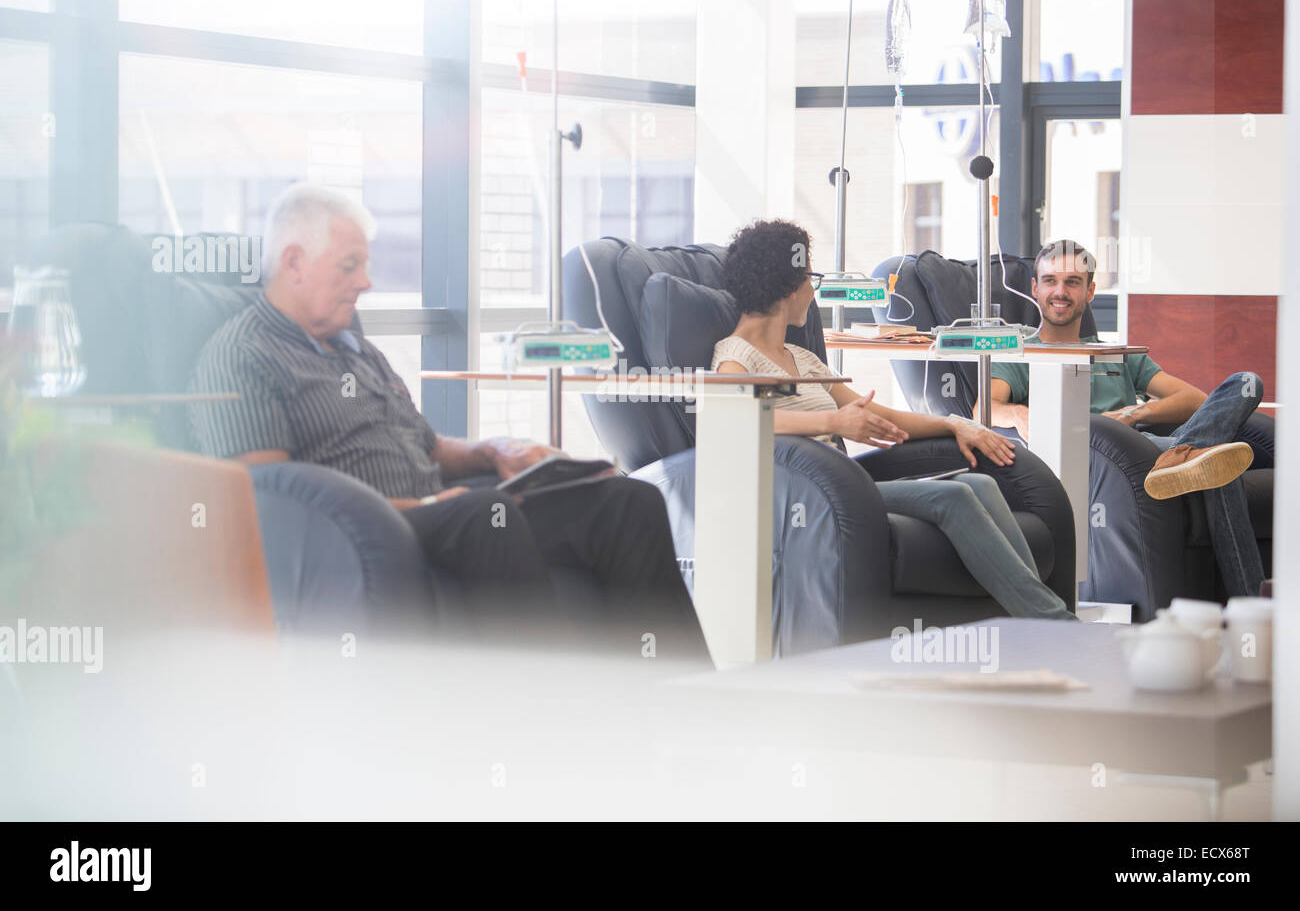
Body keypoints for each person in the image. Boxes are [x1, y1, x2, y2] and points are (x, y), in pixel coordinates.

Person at [189, 182, 707, 661]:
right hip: (370, 527)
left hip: (444, 510)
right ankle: (550, 716)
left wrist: (496, 450)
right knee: (485, 515)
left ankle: (677, 698)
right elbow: (262, 497)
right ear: (294, 262)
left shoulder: (356, 347)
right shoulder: (242, 354)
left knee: (626, 500)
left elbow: (429, 447)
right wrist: (424, 505)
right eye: (349, 266)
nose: (366, 283)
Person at [713, 219, 1075, 621]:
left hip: (841, 481)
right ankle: (1054, 623)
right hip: (800, 495)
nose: (814, 291)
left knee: (981, 484)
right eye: (809, 278)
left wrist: (953, 424)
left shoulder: (802, 359)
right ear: (787, 286)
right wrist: (832, 424)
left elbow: (874, 414)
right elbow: (736, 420)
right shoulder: (736, 357)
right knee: (951, 497)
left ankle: (1027, 616)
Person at [980, 239, 1266, 601]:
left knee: (1245, 383)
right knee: (1219, 460)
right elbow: (985, 409)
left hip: (1147, 440)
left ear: (1090, 290)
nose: (1060, 291)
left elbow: (1194, 399)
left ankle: (1183, 452)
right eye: (1050, 280)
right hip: (1108, 457)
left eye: (1072, 281)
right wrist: (1021, 413)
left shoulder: (1116, 352)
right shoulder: (1021, 354)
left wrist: (1134, 413)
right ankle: (1252, 604)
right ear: (1035, 288)